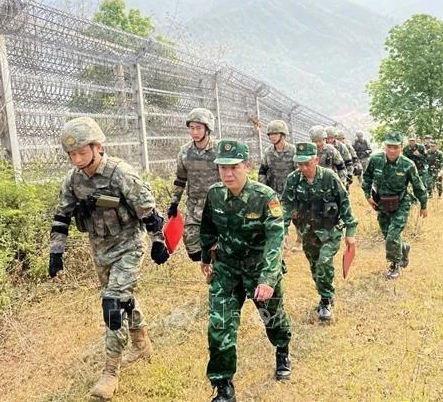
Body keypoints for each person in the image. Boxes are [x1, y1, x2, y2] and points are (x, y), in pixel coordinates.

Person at [48, 117, 170, 400]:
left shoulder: (120, 174)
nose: (77, 159)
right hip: (100, 251)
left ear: (97, 146)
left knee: (113, 304)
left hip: (128, 247)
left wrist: (158, 241)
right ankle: (141, 345)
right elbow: (62, 217)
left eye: (81, 152)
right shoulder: (73, 180)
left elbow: (148, 210)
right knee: (124, 300)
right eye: (71, 155)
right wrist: (56, 255)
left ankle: (110, 372)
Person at [200, 139, 292, 402]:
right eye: (222, 168)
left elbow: (275, 240)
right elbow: (208, 229)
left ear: (247, 166)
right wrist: (206, 258)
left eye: (234, 167)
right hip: (227, 270)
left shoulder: (265, 198)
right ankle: (223, 386)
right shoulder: (215, 194)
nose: (227, 174)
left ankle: (282, 348)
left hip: (259, 269)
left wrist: (268, 278)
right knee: (220, 325)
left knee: (272, 319)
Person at [281, 142, 357, 322]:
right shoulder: (293, 179)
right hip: (307, 231)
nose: (304, 168)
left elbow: (344, 203)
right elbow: (286, 206)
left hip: (330, 231)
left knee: (324, 262)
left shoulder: (330, 177)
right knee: (315, 268)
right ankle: (326, 294)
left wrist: (351, 232)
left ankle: (325, 301)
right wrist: (283, 230)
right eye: (300, 164)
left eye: (307, 163)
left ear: (316, 160)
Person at [362, 131, 428, 280]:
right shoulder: (375, 160)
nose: (392, 150)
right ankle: (403, 247)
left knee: (392, 236)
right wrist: (367, 196)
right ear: (385, 146)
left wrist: (424, 205)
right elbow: (366, 177)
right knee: (388, 236)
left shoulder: (407, 165)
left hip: (401, 203)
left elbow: (418, 186)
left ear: (401, 147)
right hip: (381, 203)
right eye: (389, 147)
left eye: (396, 147)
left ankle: (394, 265)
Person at [167, 108, 220, 262]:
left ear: (207, 129)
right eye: (191, 128)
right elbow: (180, 179)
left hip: (217, 205)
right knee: (193, 249)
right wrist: (174, 203)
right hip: (194, 207)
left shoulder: (218, 151)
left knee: (221, 245)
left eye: (198, 128)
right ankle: (210, 262)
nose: (194, 132)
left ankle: (218, 272)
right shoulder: (184, 152)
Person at [258, 119, 296, 196]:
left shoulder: (293, 151)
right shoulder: (268, 152)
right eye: (270, 134)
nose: (272, 137)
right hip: (273, 193)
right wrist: (263, 191)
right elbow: (262, 173)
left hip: (291, 192)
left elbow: (300, 172)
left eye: (275, 134)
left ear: (283, 135)